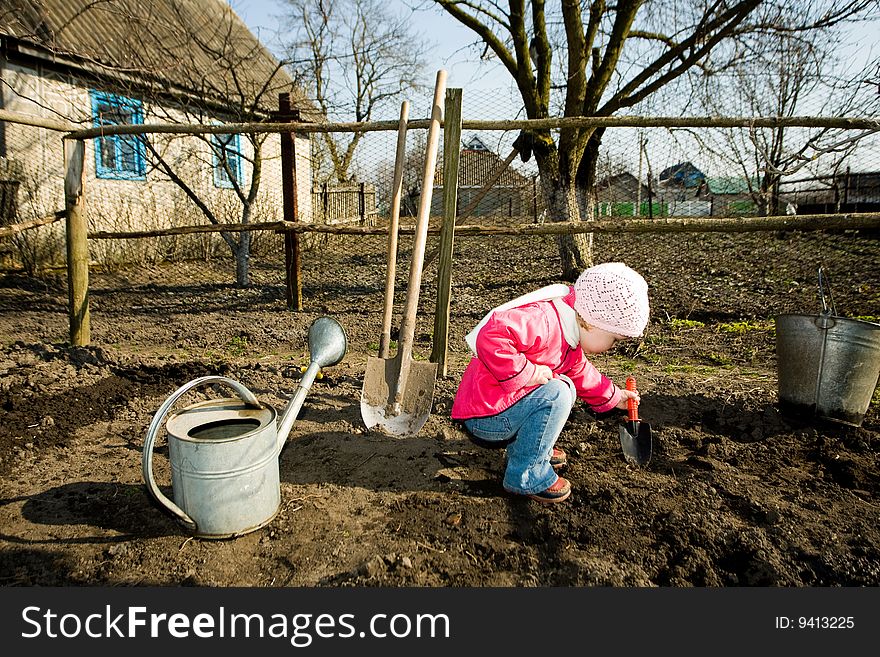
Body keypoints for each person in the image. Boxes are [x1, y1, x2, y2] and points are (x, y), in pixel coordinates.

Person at [451, 262, 650, 504]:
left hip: (501, 408)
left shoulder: (568, 330)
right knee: (558, 393)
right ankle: (527, 475)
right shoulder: (543, 321)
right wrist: (527, 372)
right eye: (613, 339)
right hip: (486, 416)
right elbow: (491, 336)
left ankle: (531, 450)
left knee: (564, 385)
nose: (612, 347)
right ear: (591, 322)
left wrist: (614, 396)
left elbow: (582, 373)